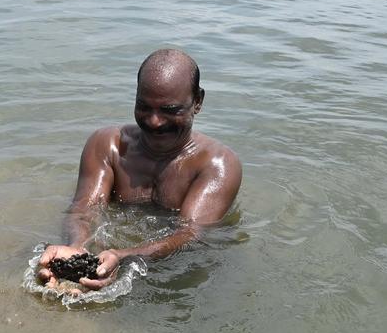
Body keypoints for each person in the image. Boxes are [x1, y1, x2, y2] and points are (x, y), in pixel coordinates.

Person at [38, 49, 242, 292]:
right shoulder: (108, 145)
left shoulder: (218, 164)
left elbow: (190, 235)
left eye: (170, 110)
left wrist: (123, 256)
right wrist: (77, 248)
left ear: (198, 102)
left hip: (175, 279)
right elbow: (83, 210)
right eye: (144, 107)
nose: (154, 121)